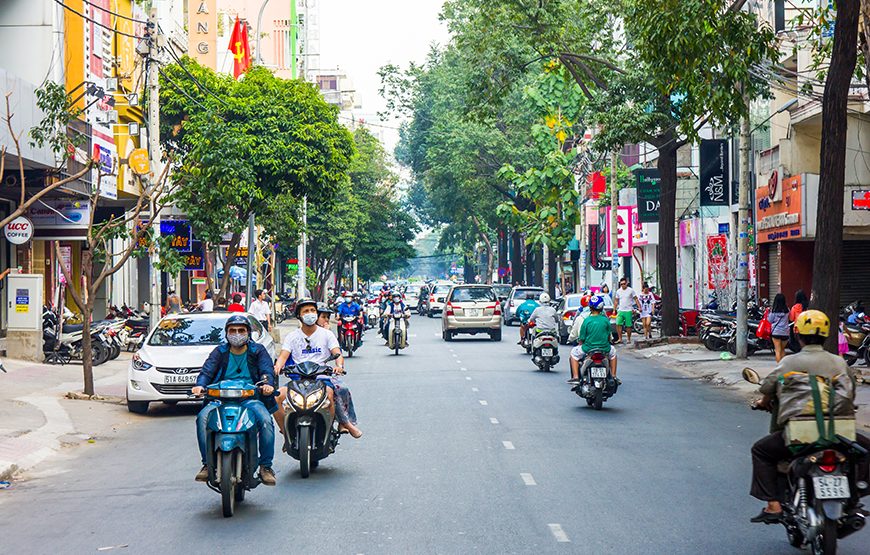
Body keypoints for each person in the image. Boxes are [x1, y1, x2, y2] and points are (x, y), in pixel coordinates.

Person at [749, 310, 869, 523]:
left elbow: (768, 388)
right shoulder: (839, 363)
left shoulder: (788, 363)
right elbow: (849, 393)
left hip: (799, 435)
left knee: (761, 451)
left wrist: (762, 403)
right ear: (826, 336)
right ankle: (856, 492)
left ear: (798, 335)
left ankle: (774, 506)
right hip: (840, 434)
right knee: (865, 451)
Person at [192, 315, 277, 485]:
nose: (237, 334)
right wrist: (200, 386)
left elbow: (266, 370)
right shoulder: (219, 352)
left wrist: (267, 384)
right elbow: (207, 372)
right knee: (202, 418)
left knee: (266, 421)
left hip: (250, 399)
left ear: (248, 333)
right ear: (226, 333)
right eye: (232, 331)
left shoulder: (258, 350)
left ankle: (265, 466)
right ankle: (207, 464)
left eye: (241, 330)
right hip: (220, 400)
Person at [272, 299, 362, 438]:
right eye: (306, 311)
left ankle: (335, 429)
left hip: (322, 378)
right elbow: (283, 356)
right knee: (276, 398)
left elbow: (337, 354)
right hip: (298, 380)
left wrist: (339, 366)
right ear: (299, 315)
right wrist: (277, 367)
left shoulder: (327, 334)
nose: (310, 314)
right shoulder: (292, 336)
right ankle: (287, 435)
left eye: (312, 310)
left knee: (331, 394)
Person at [568, 295, 618, 385]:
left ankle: (575, 377)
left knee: (573, 354)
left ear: (590, 307)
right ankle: (614, 376)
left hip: (588, 348)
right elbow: (609, 337)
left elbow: (582, 338)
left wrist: (581, 343)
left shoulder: (586, 320)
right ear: (602, 308)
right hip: (604, 348)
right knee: (613, 353)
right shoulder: (605, 320)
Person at [613, 278, 639, 343]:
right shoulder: (618, 291)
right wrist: (614, 309)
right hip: (620, 310)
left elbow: (636, 299)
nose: (623, 285)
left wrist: (639, 307)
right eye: (621, 284)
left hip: (628, 310)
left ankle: (628, 339)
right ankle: (620, 338)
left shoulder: (631, 290)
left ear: (627, 283)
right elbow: (616, 301)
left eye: (624, 284)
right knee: (618, 323)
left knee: (628, 326)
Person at [768, 293, 790, 363]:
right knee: (782, 350)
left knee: (777, 350)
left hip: (776, 332)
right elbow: (789, 319)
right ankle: (783, 366)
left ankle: (779, 366)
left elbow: (769, 320)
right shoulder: (787, 310)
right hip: (785, 332)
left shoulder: (773, 311)